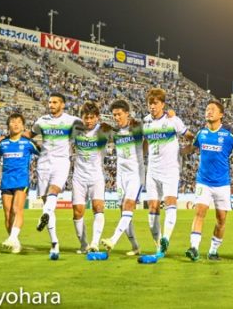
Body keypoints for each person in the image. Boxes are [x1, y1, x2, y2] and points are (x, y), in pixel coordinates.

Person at [183, 101, 233, 261]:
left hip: (222, 184)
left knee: (221, 220)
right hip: (203, 182)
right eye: (207, 109)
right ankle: (194, 248)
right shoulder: (201, 134)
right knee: (199, 213)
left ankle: (213, 250)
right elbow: (191, 148)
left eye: (213, 109)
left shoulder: (228, 136)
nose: (209, 111)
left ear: (221, 115)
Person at [30, 93, 83, 260]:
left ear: (63, 104)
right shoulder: (41, 121)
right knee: (47, 200)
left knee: (55, 189)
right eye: (50, 102)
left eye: (54, 102)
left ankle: (44, 214)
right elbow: (28, 135)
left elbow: (87, 130)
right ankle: (54, 243)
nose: (51, 105)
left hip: (61, 162)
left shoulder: (72, 121)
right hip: (43, 163)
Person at [142, 87, 190, 256]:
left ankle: (166, 238)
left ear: (162, 104)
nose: (152, 107)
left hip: (170, 169)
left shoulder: (173, 120)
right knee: (152, 208)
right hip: (152, 170)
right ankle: (158, 246)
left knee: (170, 202)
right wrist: (142, 156)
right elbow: (146, 142)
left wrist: (190, 147)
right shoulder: (146, 121)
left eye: (155, 103)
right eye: (150, 104)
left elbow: (189, 135)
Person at [0, 113, 39, 254]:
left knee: (17, 209)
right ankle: (14, 241)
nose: (15, 124)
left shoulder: (28, 143)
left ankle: (13, 238)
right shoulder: (3, 144)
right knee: (8, 213)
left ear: (23, 126)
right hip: (6, 182)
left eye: (18, 122)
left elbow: (43, 152)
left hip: (22, 181)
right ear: (8, 125)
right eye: (12, 122)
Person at [101, 99, 144, 256]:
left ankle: (113, 239)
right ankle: (135, 246)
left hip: (135, 174)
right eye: (114, 115)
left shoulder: (138, 127)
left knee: (128, 206)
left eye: (119, 114)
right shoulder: (116, 132)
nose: (116, 117)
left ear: (127, 113)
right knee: (123, 211)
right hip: (121, 175)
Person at [71, 101, 111, 254]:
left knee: (98, 208)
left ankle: (94, 243)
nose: (88, 121)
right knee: (77, 211)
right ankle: (83, 244)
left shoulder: (104, 130)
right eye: (86, 118)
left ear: (97, 118)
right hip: (79, 177)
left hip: (96, 176)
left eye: (91, 118)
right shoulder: (75, 129)